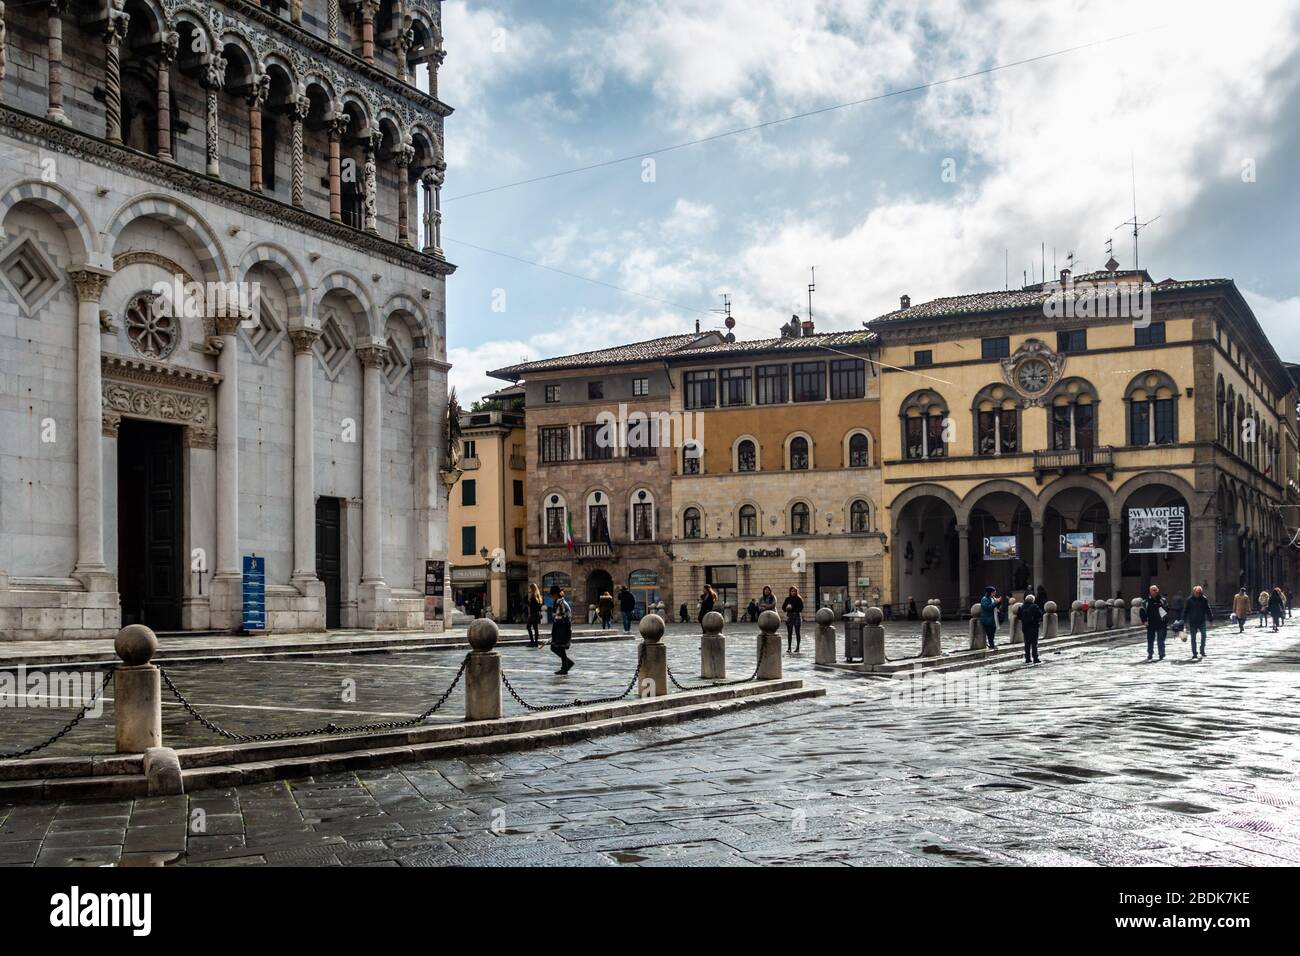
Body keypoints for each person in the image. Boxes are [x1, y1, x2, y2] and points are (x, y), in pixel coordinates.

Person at [548, 585, 574, 674]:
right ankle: (567, 664)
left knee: (559, 647)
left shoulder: (561, 603)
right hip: (560, 627)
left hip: (563, 627)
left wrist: (555, 617)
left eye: (552, 595)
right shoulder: (558, 602)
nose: (552, 596)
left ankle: (565, 667)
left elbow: (560, 616)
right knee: (555, 647)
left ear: (556, 594)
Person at [1141, 584, 1170, 661]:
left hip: (1161, 623)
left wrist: (1164, 613)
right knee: (1150, 640)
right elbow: (1142, 611)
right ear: (1150, 591)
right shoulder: (1146, 601)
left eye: (1156, 590)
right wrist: (1144, 621)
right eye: (1153, 590)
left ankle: (1161, 654)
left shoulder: (1162, 600)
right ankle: (1150, 654)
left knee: (1161, 639)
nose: (1155, 591)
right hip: (1150, 624)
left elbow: (1167, 609)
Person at [1184, 585, 1212, 659]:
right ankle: (1194, 653)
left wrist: (1210, 619)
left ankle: (1202, 650)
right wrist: (1184, 621)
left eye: (1199, 593)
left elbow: (1208, 609)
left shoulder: (1204, 599)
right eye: (1197, 592)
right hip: (1192, 622)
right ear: (1194, 592)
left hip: (1201, 621)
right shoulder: (1189, 600)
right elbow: (1185, 611)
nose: (1198, 594)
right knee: (1193, 638)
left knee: (1204, 636)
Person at [1019, 593, 1044, 664]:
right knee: (1034, 643)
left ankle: (1027, 658)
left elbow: (1019, 617)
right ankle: (1035, 658)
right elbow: (1040, 614)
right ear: (1033, 600)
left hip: (1025, 627)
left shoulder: (1022, 607)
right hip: (1034, 627)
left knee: (1027, 643)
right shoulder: (1034, 606)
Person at [782, 587, 804, 652]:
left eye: (794, 591)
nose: (793, 592)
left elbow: (801, 608)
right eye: (792, 591)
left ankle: (797, 647)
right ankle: (789, 647)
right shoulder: (787, 599)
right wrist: (787, 608)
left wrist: (792, 608)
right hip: (789, 616)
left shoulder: (799, 599)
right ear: (790, 592)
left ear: (796, 592)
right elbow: (783, 607)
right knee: (789, 633)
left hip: (797, 616)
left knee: (797, 632)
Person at [525, 583, 544, 647]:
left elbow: (532, 606)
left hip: (533, 614)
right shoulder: (539, 596)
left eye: (530, 588)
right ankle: (535, 643)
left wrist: (527, 602)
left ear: (532, 588)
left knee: (528, 627)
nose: (529, 589)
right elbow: (539, 606)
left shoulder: (533, 596)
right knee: (536, 628)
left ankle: (532, 642)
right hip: (537, 614)